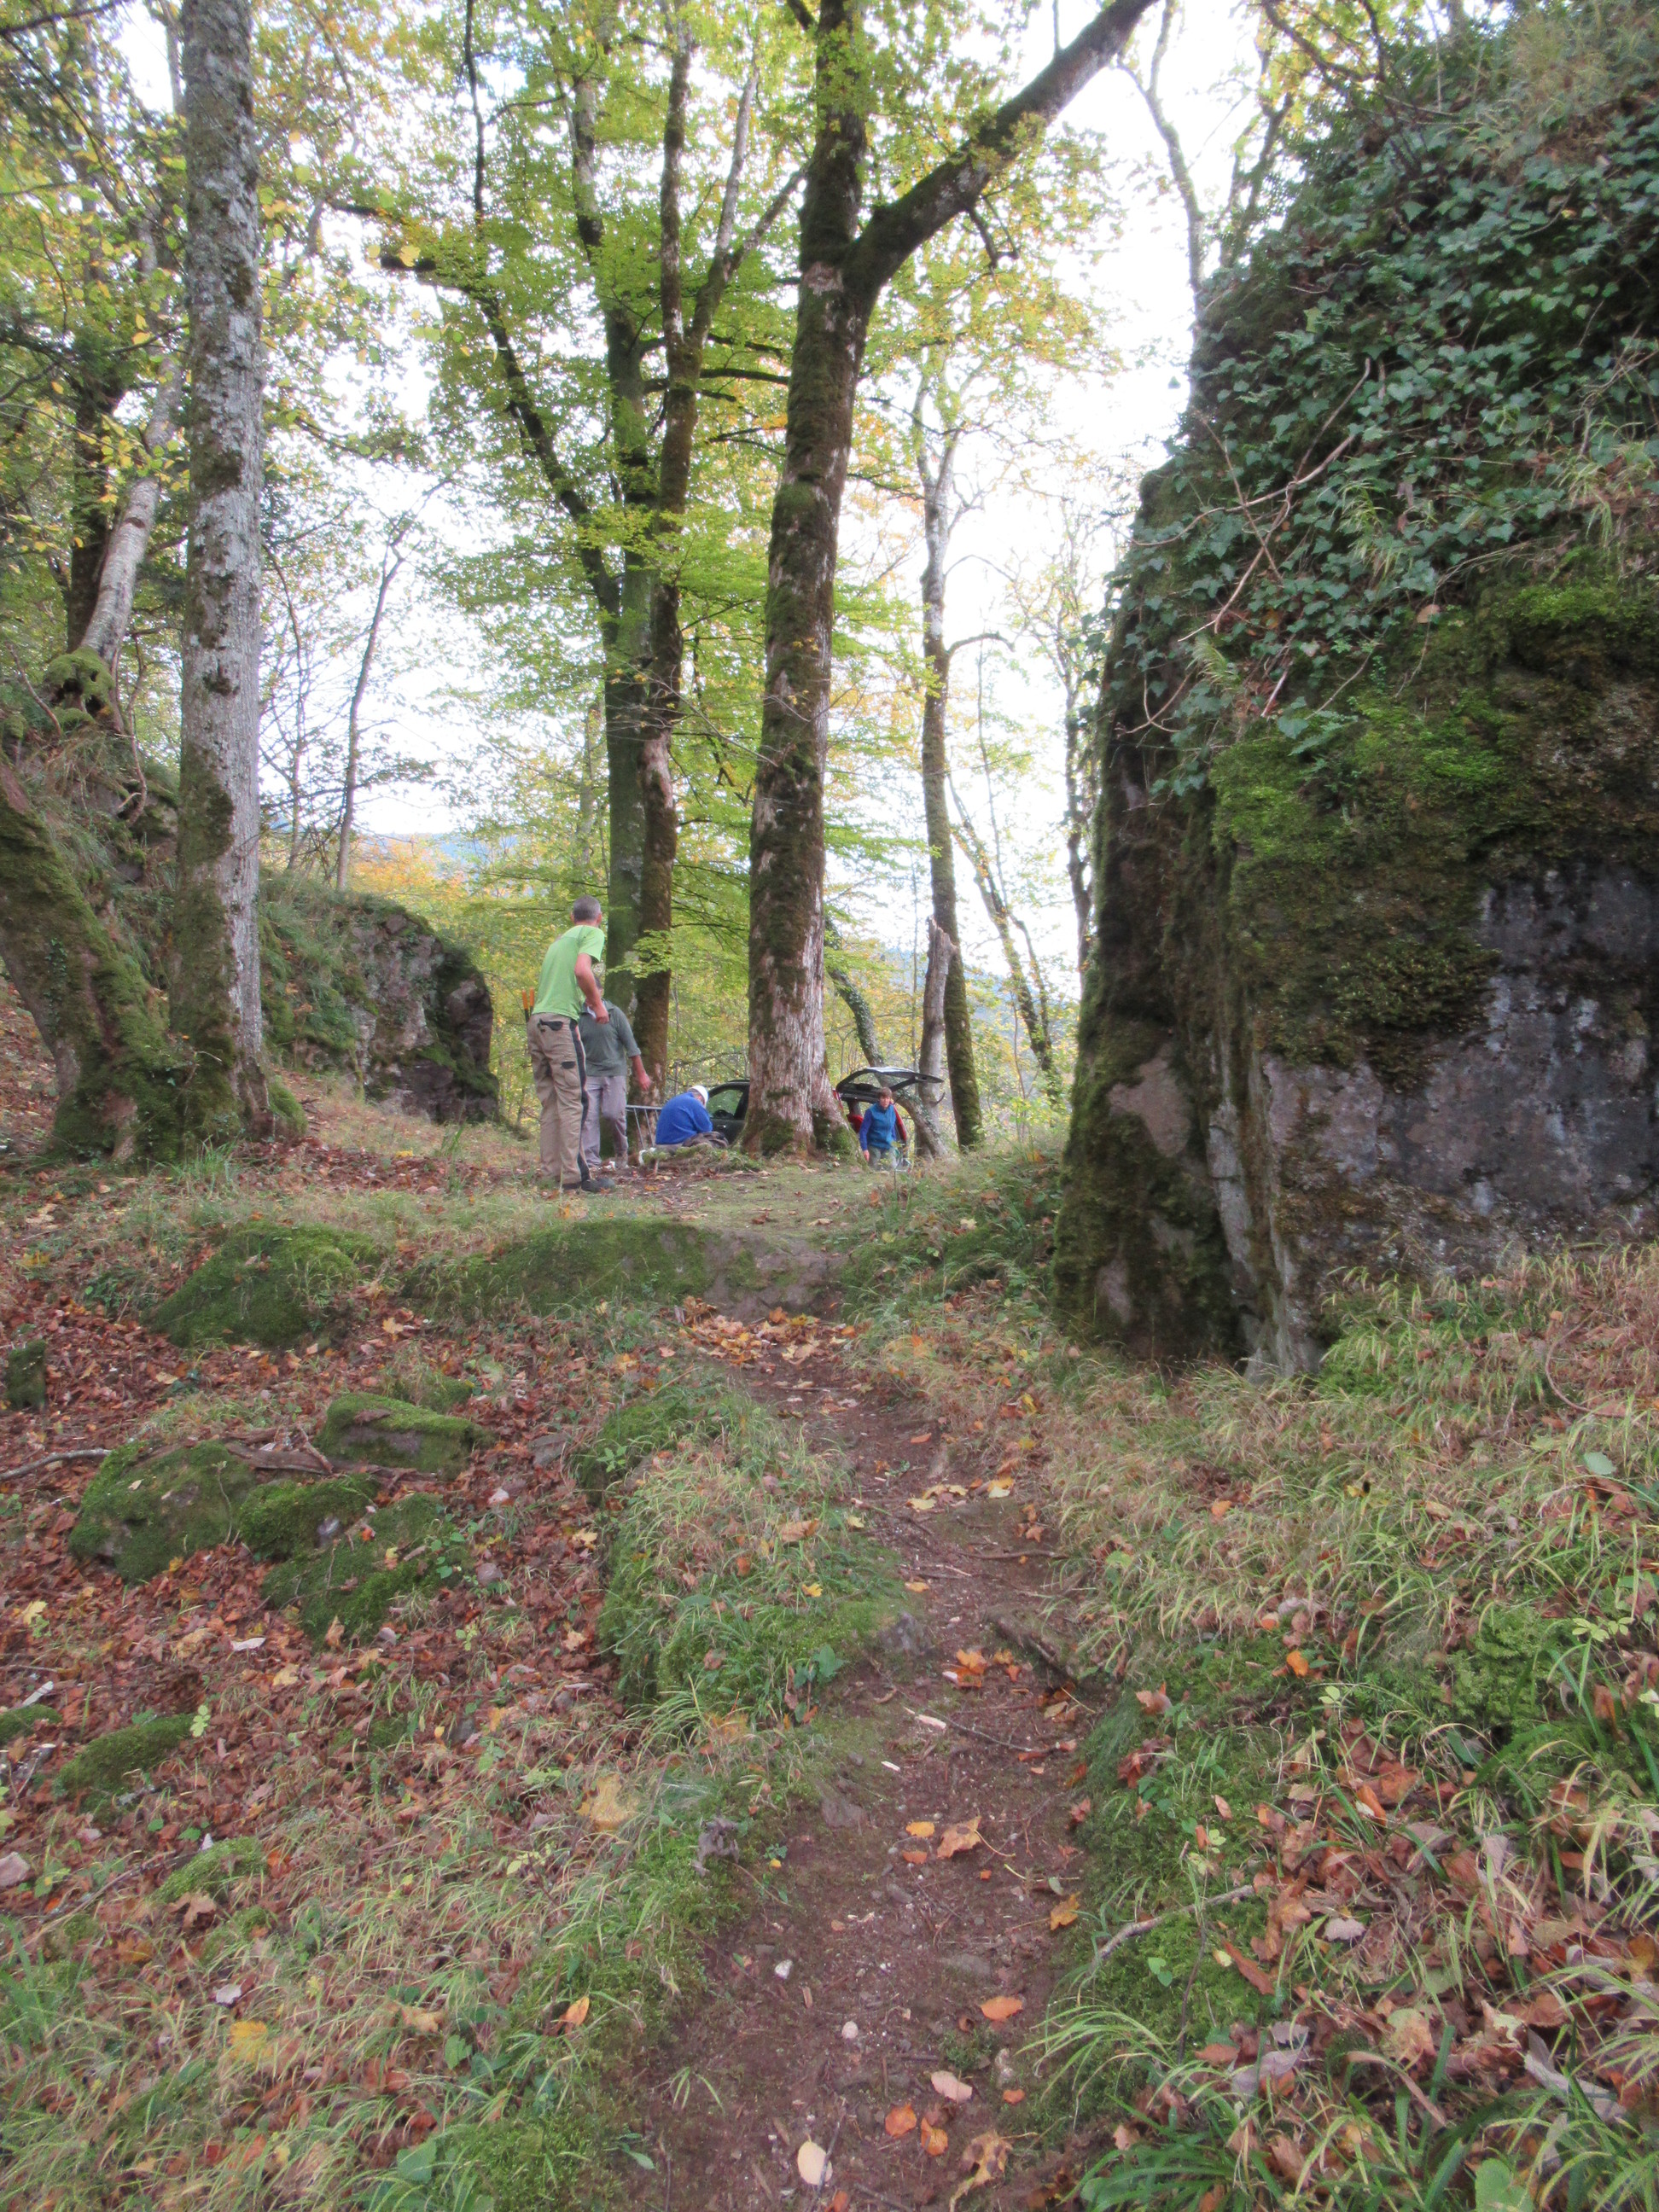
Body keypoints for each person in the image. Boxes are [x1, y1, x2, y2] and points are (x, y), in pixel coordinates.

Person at [527, 896, 609, 1193]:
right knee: (575, 1099)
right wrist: (597, 1005)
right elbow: (582, 971)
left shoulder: (558, 942)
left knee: (550, 1101)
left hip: (537, 1022)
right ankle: (575, 1177)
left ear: (572, 917)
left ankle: (551, 1173)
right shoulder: (592, 933)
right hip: (559, 1024)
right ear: (599, 918)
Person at [579, 995, 650, 1176]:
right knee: (588, 1116)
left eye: (593, 994)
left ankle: (621, 1153)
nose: (589, 999)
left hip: (614, 1071)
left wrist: (641, 1074)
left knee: (613, 1114)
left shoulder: (615, 1014)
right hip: (590, 1073)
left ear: (600, 992)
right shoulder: (580, 1016)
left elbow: (631, 1046)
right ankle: (591, 1161)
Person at [654, 1082, 715, 1150]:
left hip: (659, 1145)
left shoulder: (674, 1100)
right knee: (716, 1141)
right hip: (678, 1146)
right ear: (700, 1099)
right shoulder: (695, 1102)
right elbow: (707, 1130)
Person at [859, 1084, 903, 1166]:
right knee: (874, 1169)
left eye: (888, 1098)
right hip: (874, 1146)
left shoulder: (892, 1109)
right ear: (879, 1098)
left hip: (889, 1145)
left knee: (891, 1168)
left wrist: (895, 1145)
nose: (886, 1101)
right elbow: (863, 1131)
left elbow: (892, 1128)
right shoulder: (871, 1111)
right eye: (883, 1098)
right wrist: (864, 1149)